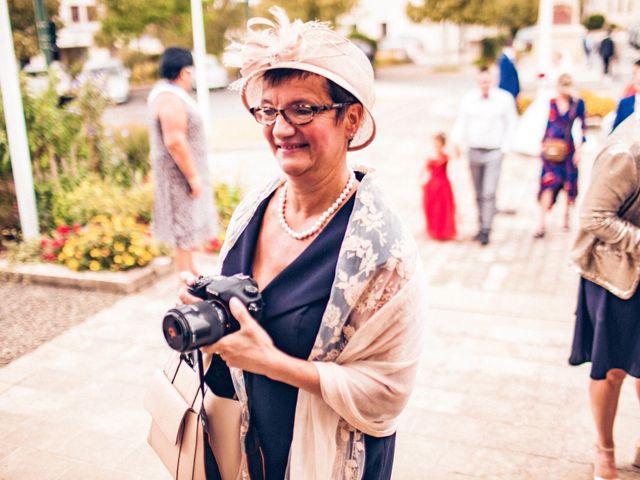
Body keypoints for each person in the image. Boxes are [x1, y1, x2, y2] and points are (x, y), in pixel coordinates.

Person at [177, 8, 425, 480]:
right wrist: (205, 311)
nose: (281, 128)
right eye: (268, 109)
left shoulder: (383, 252)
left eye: (304, 109)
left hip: (324, 457)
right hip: (245, 443)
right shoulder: (256, 204)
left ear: (351, 119)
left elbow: (387, 394)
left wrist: (271, 363)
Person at [569, 109, 640, 480]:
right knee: (612, 371)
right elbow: (594, 217)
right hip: (615, 277)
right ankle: (604, 449)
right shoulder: (626, 149)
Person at [148, 47, 217, 274]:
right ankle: (185, 277)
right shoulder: (169, 98)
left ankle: (190, 270)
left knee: (186, 227)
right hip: (178, 176)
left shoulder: (168, 94)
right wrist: (193, 177)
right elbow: (175, 140)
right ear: (184, 72)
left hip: (180, 174)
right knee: (183, 227)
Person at [451, 67, 518, 246]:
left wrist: (506, 148)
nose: (484, 84)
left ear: (493, 80)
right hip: (473, 150)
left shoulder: (504, 99)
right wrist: (456, 141)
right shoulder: (469, 99)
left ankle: (487, 228)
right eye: (481, 81)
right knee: (478, 191)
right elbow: (461, 122)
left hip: (494, 151)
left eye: (487, 81)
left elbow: (511, 124)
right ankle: (481, 225)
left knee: (489, 191)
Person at [535, 73, 586, 238]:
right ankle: (541, 223)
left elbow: (581, 128)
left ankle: (566, 217)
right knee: (548, 183)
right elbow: (542, 124)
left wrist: (579, 150)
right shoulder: (550, 103)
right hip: (550, 150)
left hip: (568, 149)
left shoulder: (577, 104)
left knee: (568, 184)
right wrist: (540, 145)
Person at [422, 132, 456, 240]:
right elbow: (424, 169)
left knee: (442, 208)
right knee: (432, 207)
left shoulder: (445, 156)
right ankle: (434, 230)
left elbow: (455, 156)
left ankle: (442, 231)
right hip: (432, 185)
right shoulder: (431, 156)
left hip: (442, 185)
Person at [611, 59, 640, 132]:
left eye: (636, 73)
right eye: (633, 73)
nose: (635, 78)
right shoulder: (625, 104)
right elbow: (615, 133)